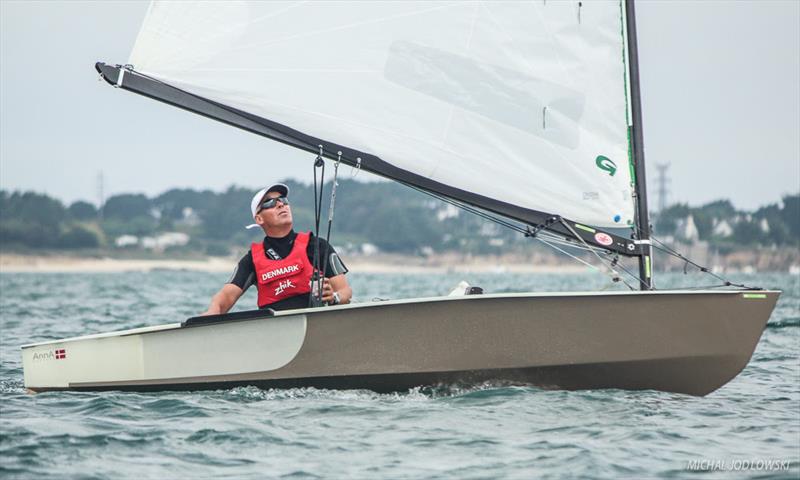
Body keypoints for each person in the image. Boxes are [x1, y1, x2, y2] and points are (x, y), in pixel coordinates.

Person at [202, 183, 352, 315]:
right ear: (259, 219)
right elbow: (225, 297)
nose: (281, 204)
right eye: (270, 203)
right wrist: (212, 312)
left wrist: (334, 297)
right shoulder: (252, 260)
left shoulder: (317, 246)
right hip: (275, 333)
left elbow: (346, 292)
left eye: (283, 200)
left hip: (316, 325)